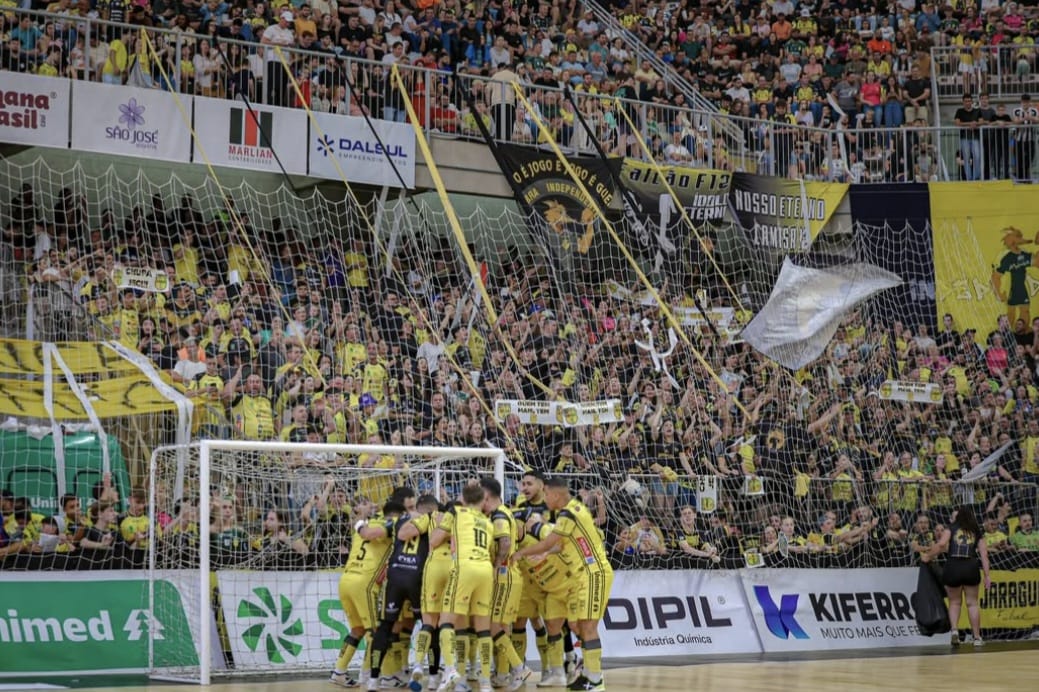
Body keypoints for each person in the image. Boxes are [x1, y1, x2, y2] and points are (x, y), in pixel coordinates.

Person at [514, 477, 613, 692]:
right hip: (582, 575)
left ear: (556, 495)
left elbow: (549, 541)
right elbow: (559, 545)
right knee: (577, 626)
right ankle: (587, 673)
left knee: (587, 627)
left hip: (593, 572)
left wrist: (522, 551)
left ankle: (595, 679)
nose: (545, 500)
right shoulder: (572, 510)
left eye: (547, 495)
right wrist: (546, 552)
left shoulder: (569, 513)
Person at [366, 494, 438, 691]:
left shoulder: (398, 520)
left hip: (395, 576)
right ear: (432, 510)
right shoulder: (433, 521)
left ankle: (373, 680)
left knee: (385, 627)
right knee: (429, 625)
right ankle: (433, 677)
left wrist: (360, 523)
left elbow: (381, 533)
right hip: (417, 577)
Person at [432, 484, 495, 692]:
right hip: (485, 568)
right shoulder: (488, 522)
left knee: (445, 621)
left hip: (464, 567)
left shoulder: (456, 512)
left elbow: (434, 541)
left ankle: (450, 669)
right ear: (483, 501)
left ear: (463, 499)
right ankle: (485, 681)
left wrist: (441, 528)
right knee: (483, 628)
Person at [329, 496, 394, 689]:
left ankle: (338, 672)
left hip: (346, 580)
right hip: (363, 583)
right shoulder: (385, 527)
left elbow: (360, 522)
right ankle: (373, 675)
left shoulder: (361, 527)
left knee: (358, 629)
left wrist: (364, 511)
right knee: (375, 631)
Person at [481, 477, 531, 690]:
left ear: (486, 495)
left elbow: (505, 542)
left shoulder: (499, 515)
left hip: (504, 574)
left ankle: (519, 668)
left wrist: (495, 566)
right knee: (502, 627)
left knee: (492, 624)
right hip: (511, 574)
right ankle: (502, 674)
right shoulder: (505, 512)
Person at [923, 506, 991, 647]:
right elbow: (984, 555)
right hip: (970, 566)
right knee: (972, 603)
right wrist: (987, 576)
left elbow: (941, 544)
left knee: (954, 602)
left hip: (953, 566)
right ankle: (977, 638)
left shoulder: (951, 528)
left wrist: (928, 556)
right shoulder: (976, 530)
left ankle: (954, 631)